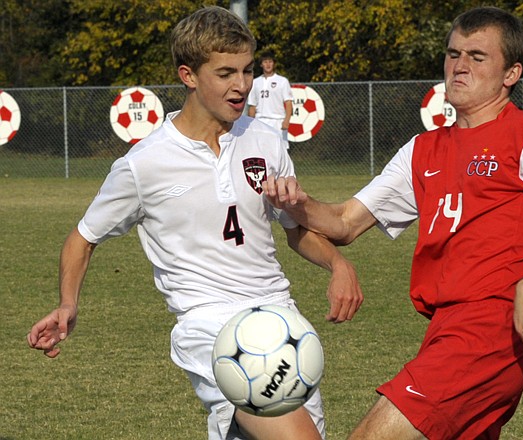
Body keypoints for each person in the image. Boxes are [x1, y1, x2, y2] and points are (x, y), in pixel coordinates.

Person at [263, 6, 523, 440]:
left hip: (489, 333)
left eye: (477, 57)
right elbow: (345, 222)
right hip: (443, 328)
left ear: (511, 73)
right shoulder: (422, 149)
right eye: (453, 53)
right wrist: (294, 202)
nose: (459, 65)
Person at [26, 6, 363, 440]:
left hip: (283, 321)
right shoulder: (144, 164)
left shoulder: (264, 142)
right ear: (188, 75)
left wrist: (338, 264)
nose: (241, 85)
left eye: (245, 71)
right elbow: (82, 238)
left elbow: (294, 229)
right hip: (209, 326)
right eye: (225, 73)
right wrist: (68, 305)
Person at [247, 52, 293, 147]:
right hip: (260, 121)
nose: (268, 64)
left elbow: (288, 103)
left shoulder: (282, 81)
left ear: (274, 64)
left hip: (277, 121)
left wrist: (286, 120)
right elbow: (252, 106)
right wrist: (250, 124)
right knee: (261, 150)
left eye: (270, 62)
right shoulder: (255, 82)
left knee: (280, 151)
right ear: (261, 64)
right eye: (265, 62)